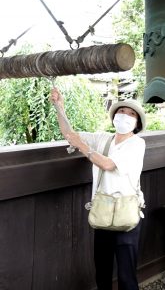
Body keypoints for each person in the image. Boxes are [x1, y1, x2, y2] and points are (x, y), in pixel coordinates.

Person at [50, 87, 146, 290]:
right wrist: (60, 108)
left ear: (137, 123)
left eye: (131, 114)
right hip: (102, 213)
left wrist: (82, 146)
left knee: (127, 277)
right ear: (114, 115)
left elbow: (108, 164)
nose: (125, 116)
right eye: (121, 111)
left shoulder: (137, 144)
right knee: (102, 273)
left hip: (126, 215)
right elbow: (70, 134)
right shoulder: (103, 139)